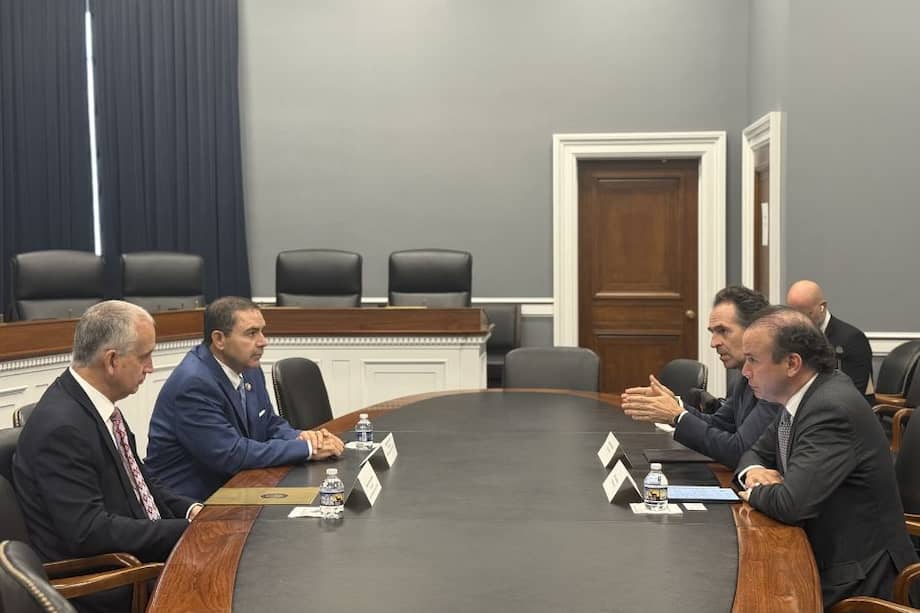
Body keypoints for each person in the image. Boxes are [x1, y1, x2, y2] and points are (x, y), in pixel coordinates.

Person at [12, 301, 200, 612]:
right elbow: (89, 532)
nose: (151, 367)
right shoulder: (62, 427)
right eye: (144, 357)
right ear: (112, 360)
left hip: (139, 561)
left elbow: (142, 484)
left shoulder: (99, 407)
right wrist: (185, 532)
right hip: (111, 583)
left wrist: (193, 512)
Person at [735, 307, 916, 608]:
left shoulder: (830, 408)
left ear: (792, 363)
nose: (745, 371)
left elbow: (792, 504)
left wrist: (754, 491)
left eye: (753, 359)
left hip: (860, 580)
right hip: (825, 555)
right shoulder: (803, 396)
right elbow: (754, 452)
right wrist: (755, 471)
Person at [145, 296, 344, 500]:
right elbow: (231, 454)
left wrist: (301, 436)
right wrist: (307, 449)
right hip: (189, 504)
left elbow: (269, 423)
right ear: (219, 339)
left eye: (262, 331)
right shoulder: (193, 384)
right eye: (251, 333)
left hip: (236, 489)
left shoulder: (247, 368)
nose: (263, 341)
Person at [621, 286, 781, 468]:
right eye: (712, 332)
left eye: (723, 331)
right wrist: (675, 406)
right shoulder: (743, 378)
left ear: (754, 329)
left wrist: (677, 416)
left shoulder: (776, 383)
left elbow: (739, 451)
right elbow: (720, 424)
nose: (714, 343)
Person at [787, 279, 874, 403]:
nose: (798, 321)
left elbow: (854, 392)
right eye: (792, 314)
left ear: (822, 307)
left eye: (805, 314)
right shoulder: (789, 336)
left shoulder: (852, 339)